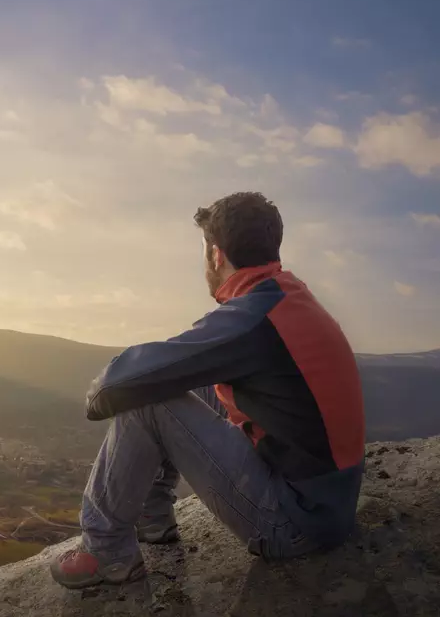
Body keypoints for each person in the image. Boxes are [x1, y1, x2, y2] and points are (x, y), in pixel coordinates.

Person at [50, 192, 366, 589]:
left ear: (216, 256)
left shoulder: (254, 318)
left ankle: (107, 552)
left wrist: (97, 393)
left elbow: (118, 385)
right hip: (326, 504)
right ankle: (152, 518)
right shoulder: (285, 297)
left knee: (149, 399)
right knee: (192, 380)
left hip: (296, 524)